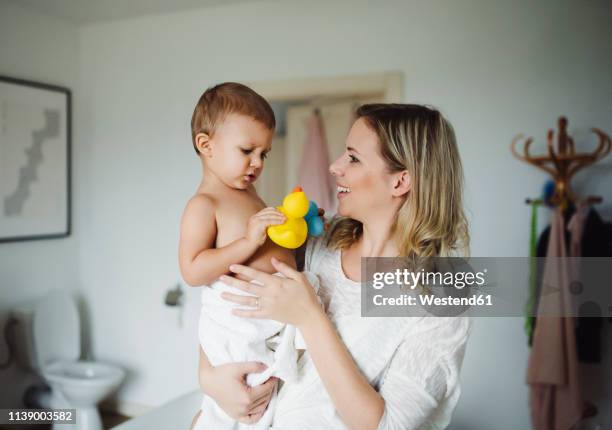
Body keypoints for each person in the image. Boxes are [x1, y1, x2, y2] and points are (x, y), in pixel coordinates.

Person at [198, 103, 472, 429]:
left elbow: (391, 426)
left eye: (353, 158)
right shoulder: (317, 244)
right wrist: (209, 377)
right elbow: (225, 299)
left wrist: (310, 318)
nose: (334, 166)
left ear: (401, 181)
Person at [179, 82, 311, 430]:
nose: (257, 163)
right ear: (206, 145)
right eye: (247, 150)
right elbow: (193, 271)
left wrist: (300, 234)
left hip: (268, 323)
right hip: (238, 326)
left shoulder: (250, 193)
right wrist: (248, 242)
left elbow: (270, 251)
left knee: (268, 407)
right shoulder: (204, 205)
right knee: (240, 413)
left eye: (263, 153)